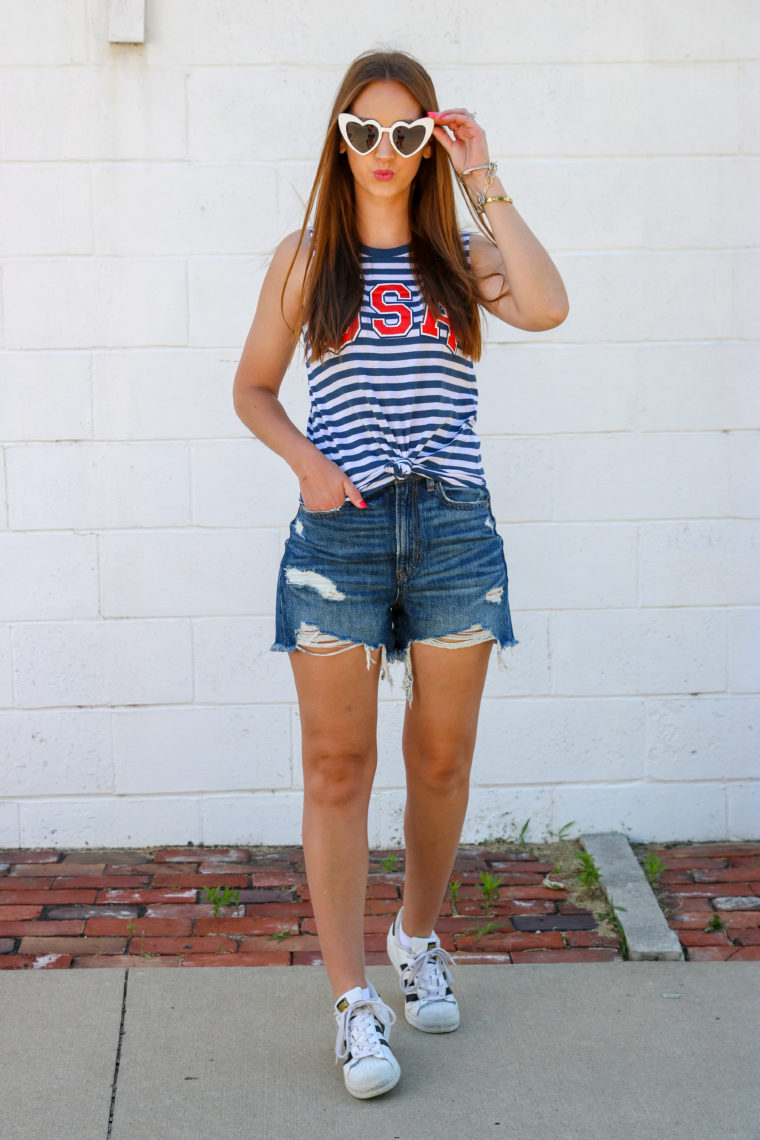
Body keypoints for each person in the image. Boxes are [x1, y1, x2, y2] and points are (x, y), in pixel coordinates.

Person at [233, 49, 568, 1100]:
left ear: (429, 140)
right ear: (339, 139)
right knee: (337, 768)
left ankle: (416, 935)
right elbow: (252, 389)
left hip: (456, 529)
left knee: (440, 760)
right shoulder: (305, 257)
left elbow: (549, 307)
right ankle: (350, 1002)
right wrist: (308, 464)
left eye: (405, 133)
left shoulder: (461, 257)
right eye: (364, 133)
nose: (384, 153)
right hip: (338, 536)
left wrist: (484, 176)